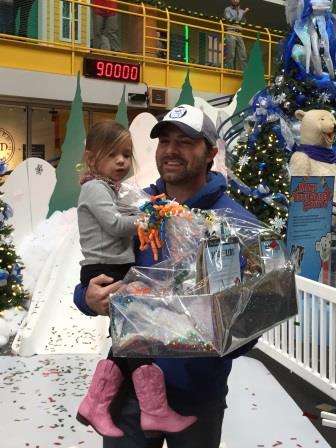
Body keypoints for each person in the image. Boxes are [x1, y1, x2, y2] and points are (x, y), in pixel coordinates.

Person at [74, 104, 258, 448]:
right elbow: (98, 267)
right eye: (165, 141)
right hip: (130, 386)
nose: (172, 150)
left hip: (195, 396)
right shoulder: (139, 208)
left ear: (211, 153)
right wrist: (85, 296)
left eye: (186, 142)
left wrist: (206, 331)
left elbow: (253, 319)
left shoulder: (234, 223)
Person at [76, 120, 197, 439]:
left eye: (126, 155)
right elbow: (115, 225)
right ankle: (148, 410)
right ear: (92, 158)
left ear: (209, 151)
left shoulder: (116, 190)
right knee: (133, 340)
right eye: (113, 154)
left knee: (128, 340)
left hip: (196, 384)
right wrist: (150, 219)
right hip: (106, 269)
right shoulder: (96, 188)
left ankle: (97, 404)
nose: (122, 162)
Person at [224, 0, 249, 70]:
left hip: (239, 33)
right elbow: (229, 20)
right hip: (231, 31)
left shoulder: (241, 11)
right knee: (231, 53)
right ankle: (230, 70)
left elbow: (244, 22)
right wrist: (239, 13)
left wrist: (243, 14)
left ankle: (245, 72)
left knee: (243, 54)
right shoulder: (227, 9)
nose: (235, 0)